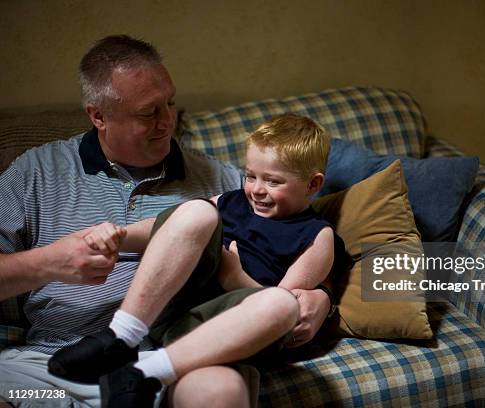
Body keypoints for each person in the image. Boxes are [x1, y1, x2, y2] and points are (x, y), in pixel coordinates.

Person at [0, 35, 334, 408]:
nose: (167, 122)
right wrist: (47, 263)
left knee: (220, 391)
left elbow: (288, 245)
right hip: (53, 360)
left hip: (183, 353)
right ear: (99, 116)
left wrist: (321, 300)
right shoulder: (35, 174)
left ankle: (135, 366)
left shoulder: (223, 180)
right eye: (148, 112)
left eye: (170, 103)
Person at [52, 113, 349, 407]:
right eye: (251, 176)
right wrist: (118, 236)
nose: (257, 189)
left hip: (227, 331)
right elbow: (173, 228)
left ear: (313, 185)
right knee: (196, 211)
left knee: (283, 305)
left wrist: (233, 275)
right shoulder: (232, 200)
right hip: (172, 309)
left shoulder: (317, 238)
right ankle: (120, 336)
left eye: (273, 181)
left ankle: (143, 373)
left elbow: (281, 315)